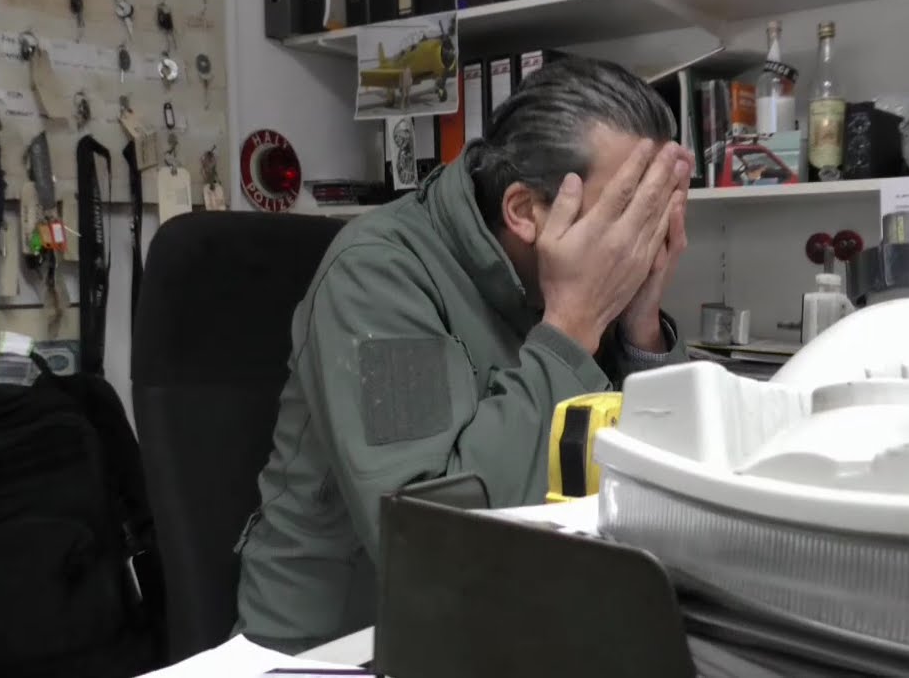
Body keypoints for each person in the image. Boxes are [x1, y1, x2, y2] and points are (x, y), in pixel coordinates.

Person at [235, 56, 693, 652]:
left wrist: (641, 329)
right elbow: (435, 544)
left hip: (521, 609)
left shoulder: (582, 276)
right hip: (339, 641)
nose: (637, 242)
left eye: (653, 212)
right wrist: (571, 326)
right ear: (523, 211)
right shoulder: (377, 275)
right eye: (625, 213)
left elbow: (662, 491)